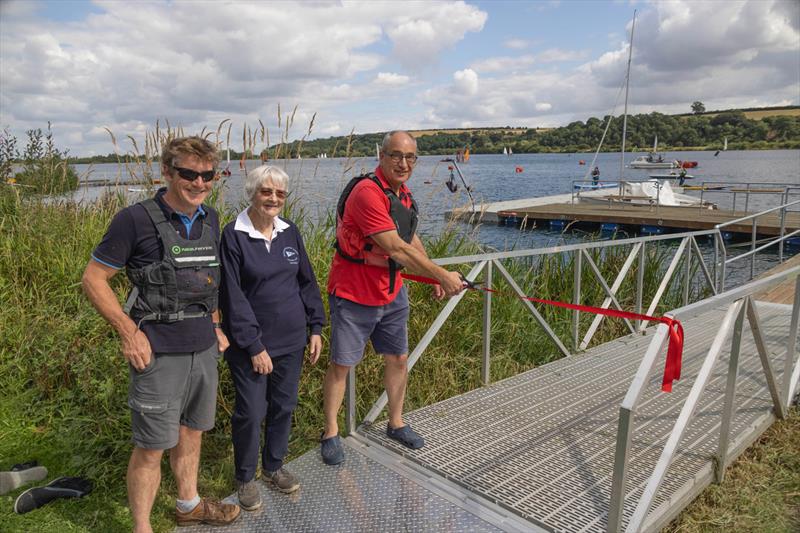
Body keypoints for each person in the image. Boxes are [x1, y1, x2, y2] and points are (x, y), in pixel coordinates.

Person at [81, 136, 240, 532]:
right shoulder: (134, 220)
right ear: (167, 172)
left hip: (203, 346)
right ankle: (142, 527)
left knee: (192, 431)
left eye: (208, 175)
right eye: (188, 174)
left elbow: (208, 281)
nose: (199, 183)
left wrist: (217, 324)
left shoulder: (212, 218)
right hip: (158, 351)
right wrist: (128, 331)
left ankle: (188, 504)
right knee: (151, 446)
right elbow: (94, 279)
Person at [320, 130, 465, 465]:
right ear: (381, 157)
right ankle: (330, 431)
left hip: (391, 290)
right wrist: (441, 275)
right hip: (354, 292)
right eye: (396, 156)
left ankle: (396, 422)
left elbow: (409, 237)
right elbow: (393, 246)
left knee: (398, 359)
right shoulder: (367, 193)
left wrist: (434, 274)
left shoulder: (402, 194)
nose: (403, 163)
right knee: (342, 364)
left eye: (410, 157)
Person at [219, 165, 325, 511]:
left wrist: (316, 327)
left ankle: (274, 466)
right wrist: (254, 346)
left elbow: (306, 282)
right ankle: (246, 477)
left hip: (292, 340)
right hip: (251, 346)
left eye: (280, 193)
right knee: (250, 411)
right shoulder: (233, 235)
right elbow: (232, 297)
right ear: (252, 193)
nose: (274, 199)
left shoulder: (289, 231)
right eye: (267, 192)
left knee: (284, 406)